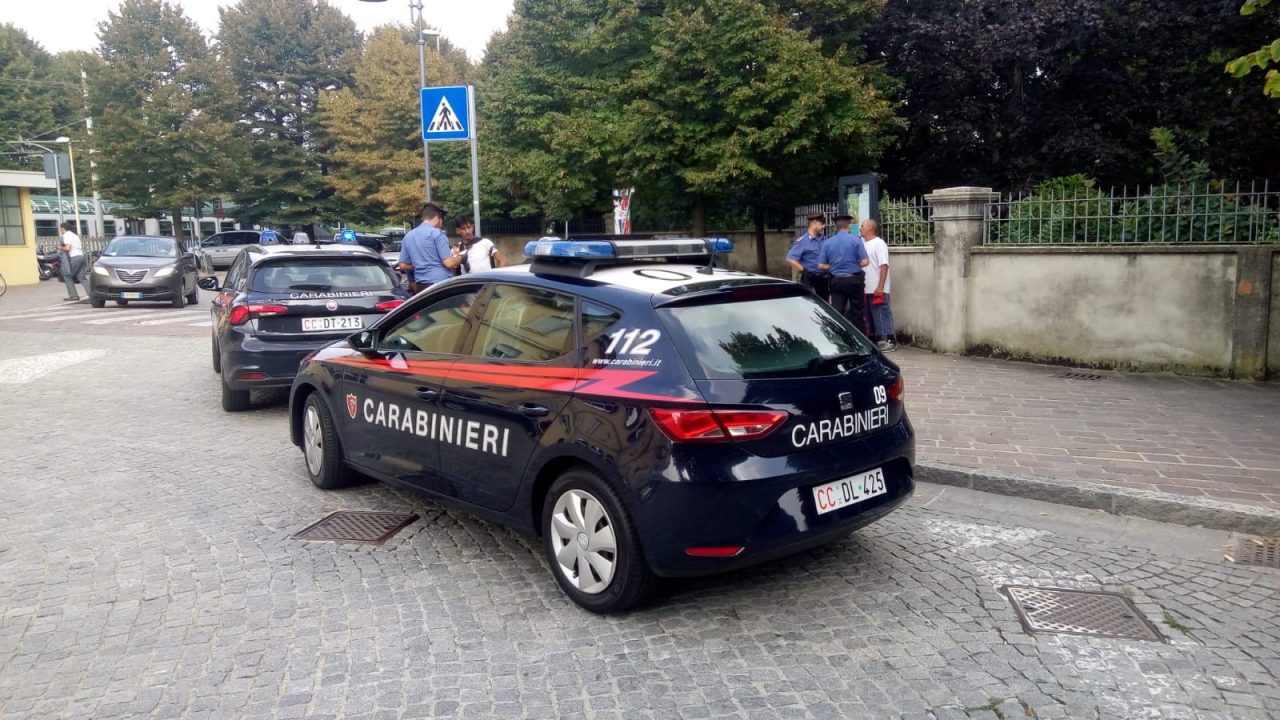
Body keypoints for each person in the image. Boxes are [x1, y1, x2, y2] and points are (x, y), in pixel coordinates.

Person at [817, 215, 870, 333]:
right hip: (854, 281)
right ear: (849, 225)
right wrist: (854, 264)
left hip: (836, 282)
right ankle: (860, 340)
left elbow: (821, 265)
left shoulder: (828, 243)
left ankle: (840, 339)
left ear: (836, 227)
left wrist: (835, 266)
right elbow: (866, 262)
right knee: (857, 312)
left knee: (837, 312)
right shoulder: (856, 240)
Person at [397, 202, 461, 293]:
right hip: (441, 284)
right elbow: (449, 263)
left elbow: (402, 265)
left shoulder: (408, 236)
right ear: (437, 217)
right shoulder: (437, 233)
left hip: (421, 285)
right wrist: (462, 257)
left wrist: (418, 266)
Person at [861, 218, 896, 352]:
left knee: (882, 313)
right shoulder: (863, 243)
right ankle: (875, 339)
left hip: (877, 287)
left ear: (870, 228)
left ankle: (889, 339)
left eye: (863, 226)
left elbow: (884, 265)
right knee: (870, 315)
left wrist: (880, 286)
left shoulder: (879, 243)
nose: (860, 229)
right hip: (866, 287)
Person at [785, 214, 830, 302]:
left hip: (824, 278)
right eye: (822, 224)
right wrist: (804, 270)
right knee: (808, 302)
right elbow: (790, 258)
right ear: (814, 223)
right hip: (809, 278)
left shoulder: (825, 239)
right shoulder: (803, 241)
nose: (824, 226)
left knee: (824, 304)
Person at [58, 221, 87, 301]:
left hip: (74, 257)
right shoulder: (75, 235)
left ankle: (73, 295)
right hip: (81, 256)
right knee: (82, 278)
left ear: (63, 228)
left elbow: (67, 248)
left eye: (60, 229)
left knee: (67, 276)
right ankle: (92, 295)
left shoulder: (66, 235)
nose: (60, 230)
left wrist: (59, 247)